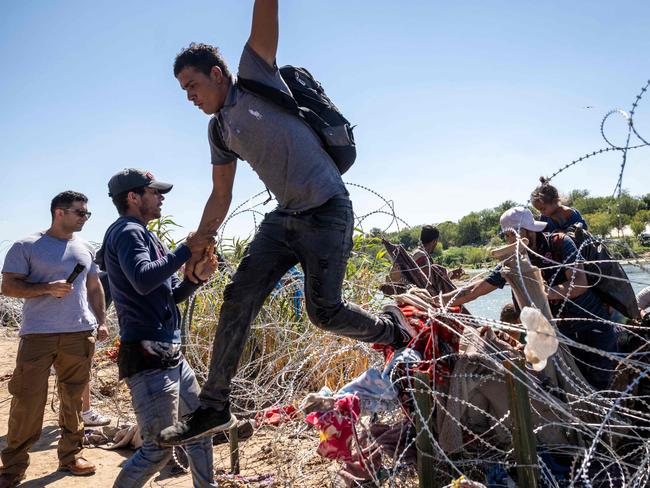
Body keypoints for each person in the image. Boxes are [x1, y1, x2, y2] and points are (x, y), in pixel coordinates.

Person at [159, 0, 410, 446]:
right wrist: (202, 243)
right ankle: (214, 407)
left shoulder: (255, 77)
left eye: (192, 84)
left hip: (328, 209)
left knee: (324, 312)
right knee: (238, 297)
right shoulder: (219, 130)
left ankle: (392, 333)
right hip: (284, 220)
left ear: (217, 74)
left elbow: (265, 14)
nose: (189, 96)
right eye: (181, 90)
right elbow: (221, 195)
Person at [98, 168, 218, 488]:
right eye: (154, 192)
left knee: (199, 431)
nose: (161, 198)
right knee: (158, 448)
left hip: (169, 353)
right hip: (149, 356)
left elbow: (168, 294)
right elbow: (142, 279)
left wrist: (198, 278)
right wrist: (185, 248)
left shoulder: (147, 236)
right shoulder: (127, 231)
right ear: (133, 198)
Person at [436, 207, 617, 390]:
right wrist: (438, 302)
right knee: (568, 390)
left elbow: (579, 282)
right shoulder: (516, 260)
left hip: (593, 330)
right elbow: (476, 289)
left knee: (599, 390)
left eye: (511, 235)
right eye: (506, 236)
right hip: (561, 336)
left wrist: (543, 292)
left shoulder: (560, 243)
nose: (509, 241)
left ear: (528, 230)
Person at [0, 191, 103, 486]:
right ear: (59, 212)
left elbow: (94, 287)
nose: (85, 217)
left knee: (73, 398)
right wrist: (47, 288)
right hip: (38, 334)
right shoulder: (26, 245)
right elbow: (8, 287)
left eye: (87, 213)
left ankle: (71, 456)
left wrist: (102, 321)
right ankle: (13, 466)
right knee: (28, 400)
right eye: (80, 212)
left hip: (79, 333)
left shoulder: (84, 248)